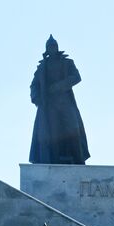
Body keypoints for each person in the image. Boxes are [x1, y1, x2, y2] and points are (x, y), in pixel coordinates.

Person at [28, 36, 90, 165]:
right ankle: (54, 162)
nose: (52, 48)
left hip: (66, 103)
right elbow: (34, 85)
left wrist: (59, 85)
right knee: (53, 135)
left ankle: (78, 160)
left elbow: (77, 77)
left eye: (54, 46)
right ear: (47, 49)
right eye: (50, 47)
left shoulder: (67, 63)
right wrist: (37, 98)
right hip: (50, 106)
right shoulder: (42, 67)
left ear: (57, 48)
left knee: (74, 129)